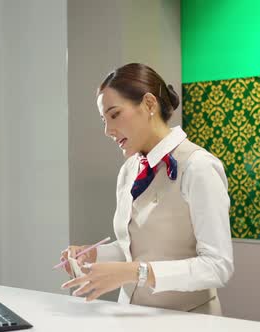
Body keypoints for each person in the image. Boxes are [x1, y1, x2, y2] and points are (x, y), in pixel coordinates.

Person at [60, 63, 233, 315]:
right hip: (132, 318)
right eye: (104, 120)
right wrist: (93, 255)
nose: (108, 131)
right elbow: (134, 249)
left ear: (150, 104)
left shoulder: (198, 167)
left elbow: (218, 267)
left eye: (115, 114)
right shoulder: (129, 169)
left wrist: (137, 272)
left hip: (189, 322)